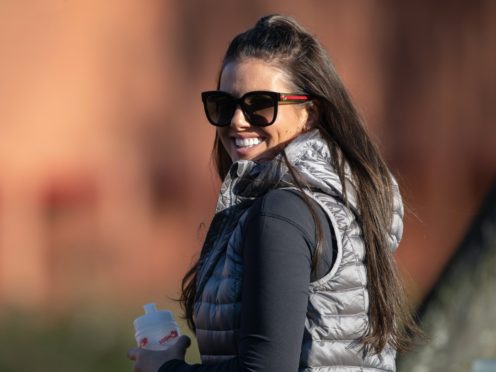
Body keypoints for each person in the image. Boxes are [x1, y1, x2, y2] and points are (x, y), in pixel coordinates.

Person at [128, 14, 420, 372]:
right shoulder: (336, 199)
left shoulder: (283, 212)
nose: (237, 120)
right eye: (224, 105)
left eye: (260, 104)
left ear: (310, 114)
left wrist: (166, 369)